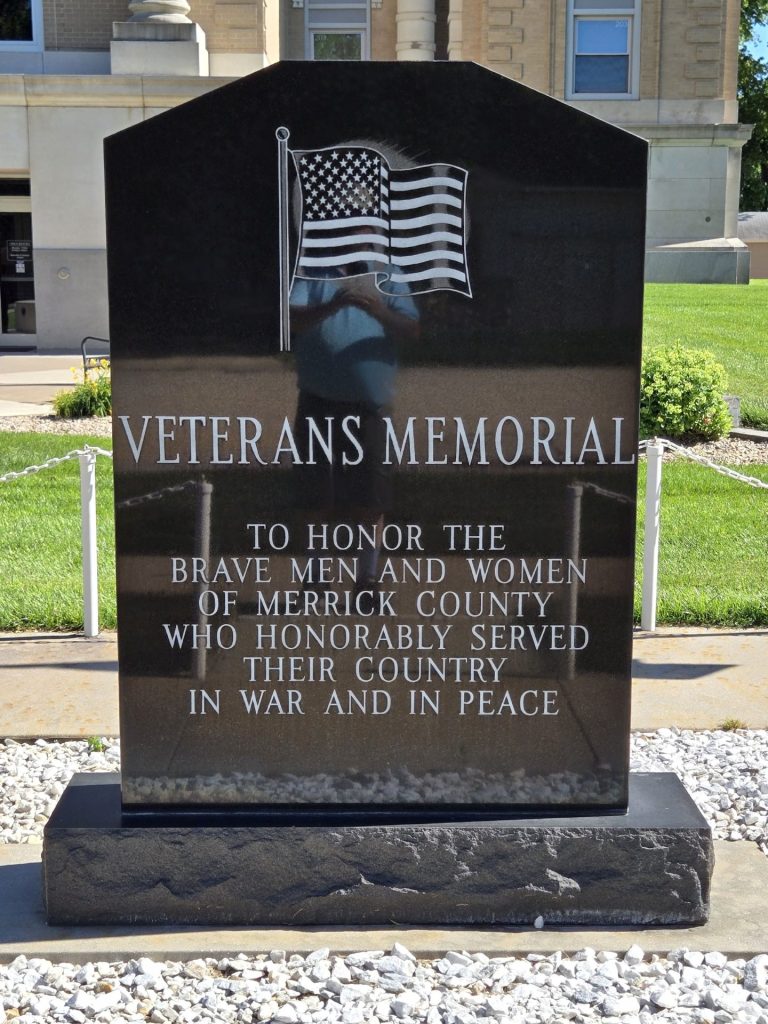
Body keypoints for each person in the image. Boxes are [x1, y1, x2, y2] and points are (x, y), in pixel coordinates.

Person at [289, 261, 419, 608]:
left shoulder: (389, 275)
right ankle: (316, 583)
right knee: (314, 494)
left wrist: (378, 310)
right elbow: (293, 320)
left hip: (370, 406)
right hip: (318, 400)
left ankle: (367, 582)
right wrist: (336, 304)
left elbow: (411, 329)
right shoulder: (312, 273)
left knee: (371, 497)